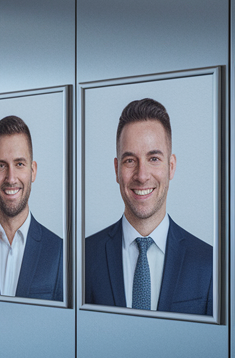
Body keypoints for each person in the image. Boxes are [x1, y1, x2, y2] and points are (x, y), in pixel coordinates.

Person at [84, 98, 213, 315]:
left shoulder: (208, 263)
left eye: (153, 158)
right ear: (117, 169)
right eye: (130, 161)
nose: (142, 176)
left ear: (171, 167)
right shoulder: (83, 257)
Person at [0, 116, 64, 301]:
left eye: (19, 164)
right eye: (2, 166)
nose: (11, 178)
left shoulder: (59, 252)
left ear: (33, 171)